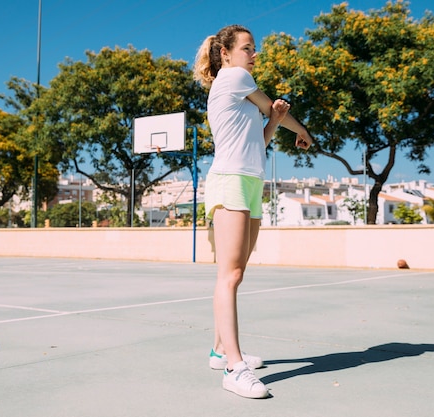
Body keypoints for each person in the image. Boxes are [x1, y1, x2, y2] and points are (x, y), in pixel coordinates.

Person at [194, 24, 313, 399]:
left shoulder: (239, 93)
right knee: (228, 276)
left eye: (254, 48)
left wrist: (275, 122)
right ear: (226, 53)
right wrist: (303, 129)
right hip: (229, 182)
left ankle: (219, 350)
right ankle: (233, 367)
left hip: (250, 181)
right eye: (247, 48)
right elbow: (270, 104)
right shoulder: (234, 78)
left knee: (236, 272)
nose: (253, 53)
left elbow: (257, 146)